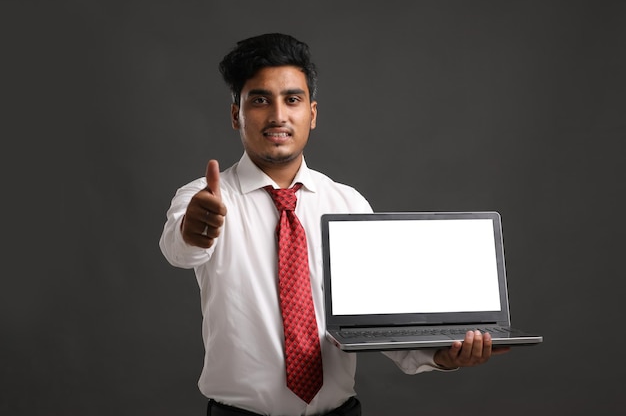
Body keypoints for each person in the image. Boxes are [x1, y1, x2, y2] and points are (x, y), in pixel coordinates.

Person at [159, 32, 509, 416]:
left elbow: (378, 315)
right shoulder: (204, 199)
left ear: (312, 113)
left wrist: (442, 355)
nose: (278, 115)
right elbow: (181, 248)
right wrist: (196, 230)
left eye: (292, 99)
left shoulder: (348, 203)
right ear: (235, 115)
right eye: (259, 100)